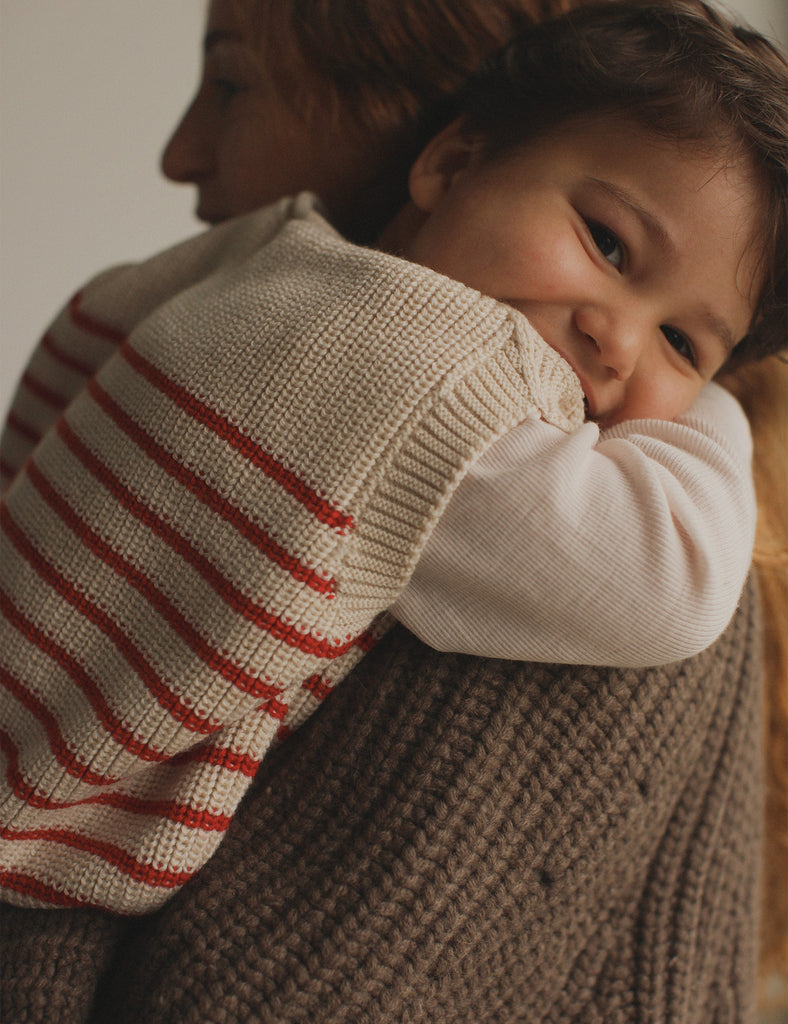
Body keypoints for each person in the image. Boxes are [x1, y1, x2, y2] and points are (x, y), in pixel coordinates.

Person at [0, 0, 782, 1018]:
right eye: (606, 243)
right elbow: (669, 577)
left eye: (681, 342)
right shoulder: (418, 379)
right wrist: (708, 402)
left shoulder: (234, 276)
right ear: (448, 162)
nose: (615, 341)